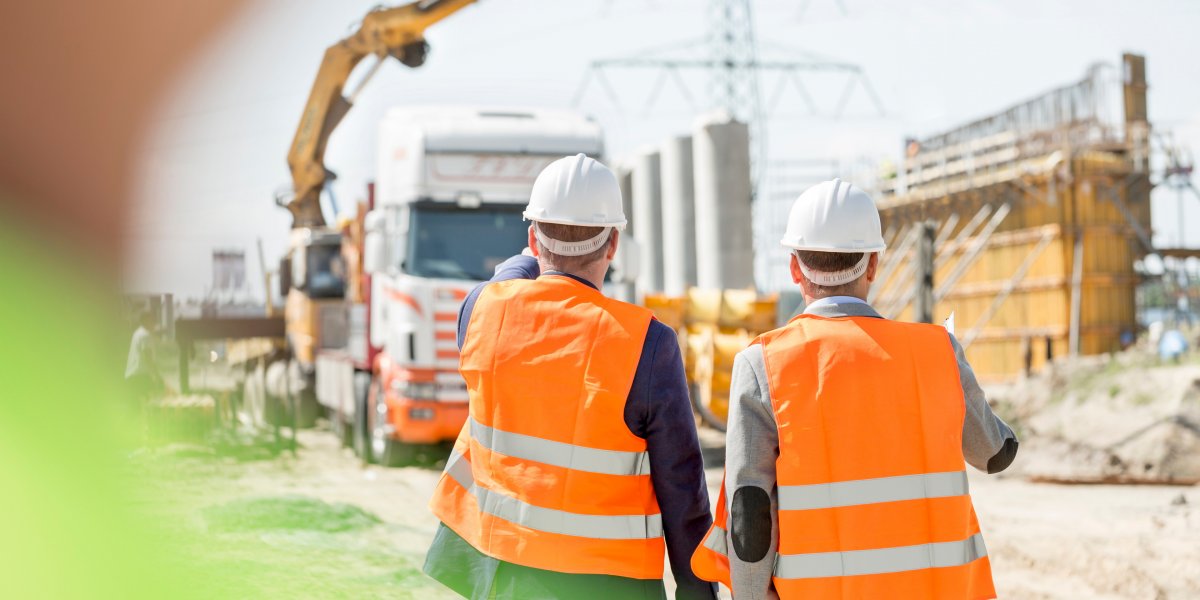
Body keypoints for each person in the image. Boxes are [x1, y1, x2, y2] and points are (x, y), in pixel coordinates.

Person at [691, 179, 1018, 599]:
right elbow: (995, 453)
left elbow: (749, 510)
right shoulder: (937, 351)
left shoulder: (764, 364)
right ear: (873, 265)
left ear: (795, 269)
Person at [424, 154, 716, 600]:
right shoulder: (647, 343)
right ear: (613, 243)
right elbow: (681, 484)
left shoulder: (482, 310)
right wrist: (697, 590)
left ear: (532, 238)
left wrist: (532, 257)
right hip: (609, 584)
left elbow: (507, 277)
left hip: (500, 574)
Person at [125, 310, 163, 402]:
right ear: (145, 321)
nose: (154, 323)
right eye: (153, 320)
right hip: (140, 376)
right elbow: (147, 356)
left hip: (133, 375)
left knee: (135, 407)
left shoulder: (138, 333)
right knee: (148, 404)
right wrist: (156, 375)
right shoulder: (145, 335)